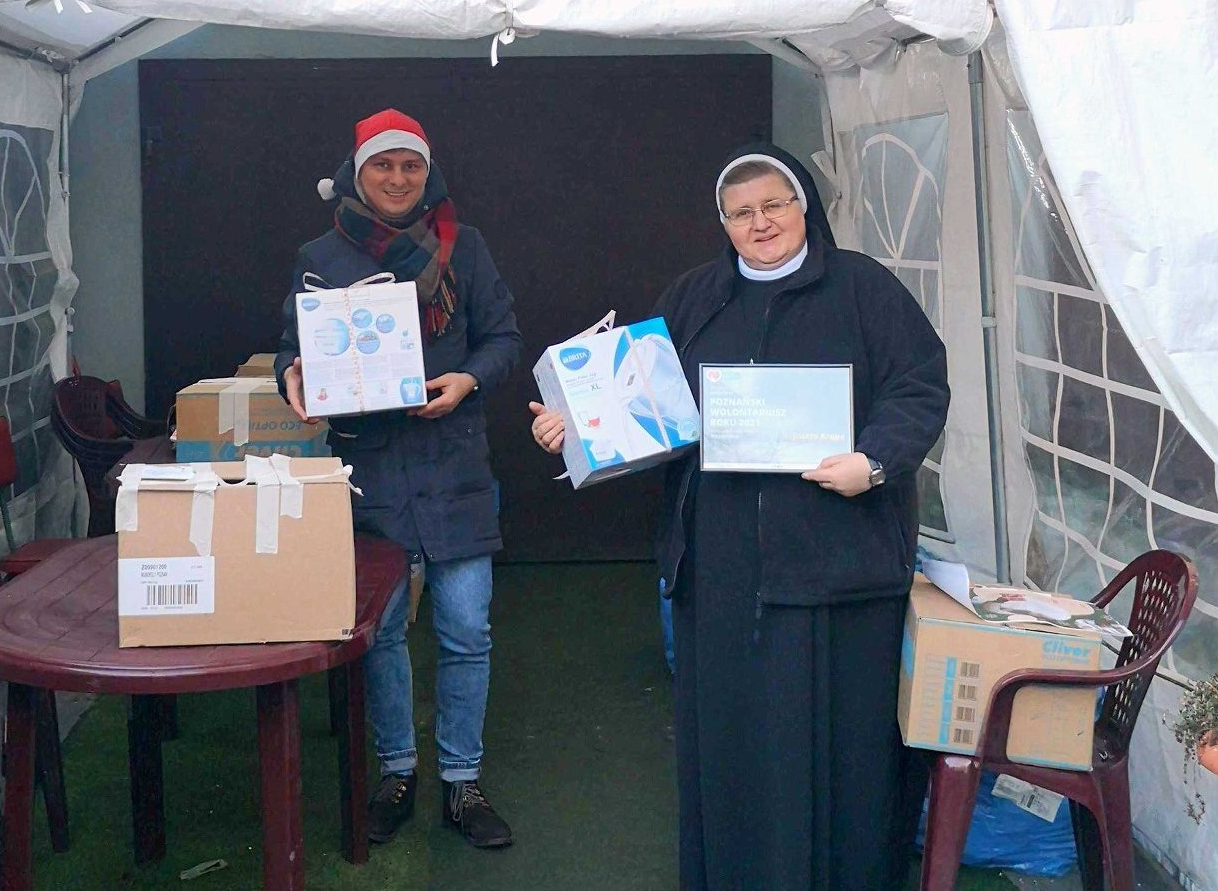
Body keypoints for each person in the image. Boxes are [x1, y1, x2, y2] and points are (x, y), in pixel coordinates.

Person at [529, 143, 949, 889]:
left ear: (806, 207)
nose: (761, 224)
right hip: (721, 571)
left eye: (775, 205)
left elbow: (919, 386)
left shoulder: (864, 290)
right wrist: (575, 425)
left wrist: (874, 460)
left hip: (838, 570)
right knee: (732, 749)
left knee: (842, 753)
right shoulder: (694, 297)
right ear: (722, 223)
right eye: (741, 212)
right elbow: (649, 406)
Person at [276, 108, 521, 849]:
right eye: (382, 164)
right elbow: (293, 347)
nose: (396, 178)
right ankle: (397, 771)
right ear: (357, 171)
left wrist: (467, 380)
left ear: (428, 172)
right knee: (380, 633)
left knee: (466, 628)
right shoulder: (320, 253)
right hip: (370, 470)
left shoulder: (463, 248)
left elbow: (504, 337)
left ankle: (461, 781)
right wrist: (296, 375)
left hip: (452, 465)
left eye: (410, 165)